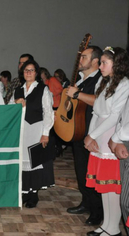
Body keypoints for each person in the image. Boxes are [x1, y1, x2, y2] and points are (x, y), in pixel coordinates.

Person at [84, 47, 129, 236]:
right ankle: (106, 224)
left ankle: (113, 228)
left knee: (113, 186)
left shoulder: (124, 84)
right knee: (103, 185)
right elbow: (96, 111)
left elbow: (114, 116)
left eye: (104, 63)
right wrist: (89, 136)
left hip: (111, 135)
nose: (100, 66)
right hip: (98, 134)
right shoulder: (103, 82)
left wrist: (93, 135)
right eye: (100, 62)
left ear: (116, 64)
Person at [65, 46, 104, 226]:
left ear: (95, 61)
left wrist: (78, 94)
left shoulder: (101, 79)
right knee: (81, 172)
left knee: (94, 173)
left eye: (84, 57)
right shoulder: (80, 79)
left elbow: (99, 101)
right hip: (78, 132)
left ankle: (98, 211)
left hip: (93, 134)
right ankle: (86, 203)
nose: (80, 60)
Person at [10, 60, 55, 208]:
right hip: (20, 130)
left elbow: (48, 112)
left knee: (34, 162)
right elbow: (9, 110)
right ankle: (23, 192)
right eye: (26, 70)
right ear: (22, 74)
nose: (28, 73)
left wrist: (45, 133)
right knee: (22, 161)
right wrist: (16, 105)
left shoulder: (43, 89)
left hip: (36, 128)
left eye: (31, 70)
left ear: (36, 73)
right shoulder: (17, 90)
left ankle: (33, 194)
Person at [109, 97, 129, 235]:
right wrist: (119, 138)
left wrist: (116, 138)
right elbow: (124, 115)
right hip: (125, 140)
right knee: (125, 202)